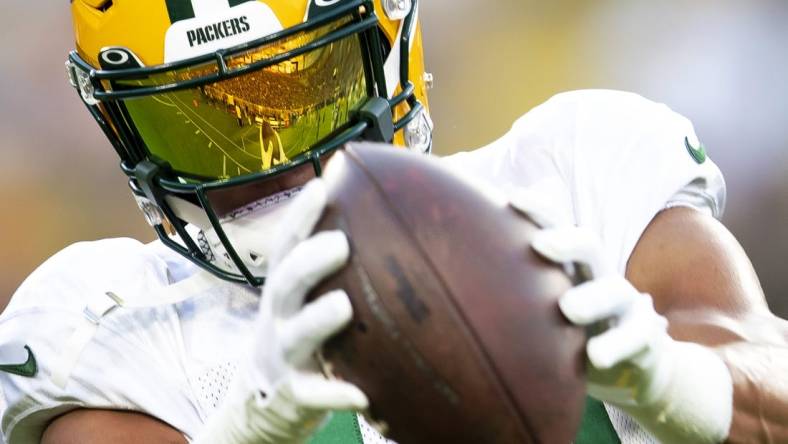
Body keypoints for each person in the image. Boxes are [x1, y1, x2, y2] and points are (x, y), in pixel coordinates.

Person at [1, 0, 786, 443]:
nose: (273, 165)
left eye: (306, 94)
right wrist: (247, 431)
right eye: (199, 128)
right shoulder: (108, 325)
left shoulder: (573, 174)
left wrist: (675, 380)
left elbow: (768, 378)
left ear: (390, 50)